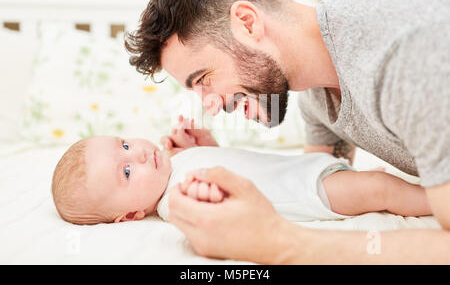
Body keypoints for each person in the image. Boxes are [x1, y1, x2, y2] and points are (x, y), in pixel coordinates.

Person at [125, 0, 450, 263]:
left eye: (203, 79)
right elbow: (312, 186)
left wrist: (279, 242)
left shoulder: (402, 54)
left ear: (247, 23)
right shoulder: (317, 91)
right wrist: (218, 166)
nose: (210, 105)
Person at [51, 116, 430, 225]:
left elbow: (235, 166)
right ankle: (436, 203)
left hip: (300, 169)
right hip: (309, 195)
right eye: (127, 173)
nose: (137, 155)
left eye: (125, 145)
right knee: (381, 187)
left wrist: (206, 145)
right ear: (133, 214)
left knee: (382, 179)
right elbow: (227, 201)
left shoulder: (174, 169)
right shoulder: (175, 203)